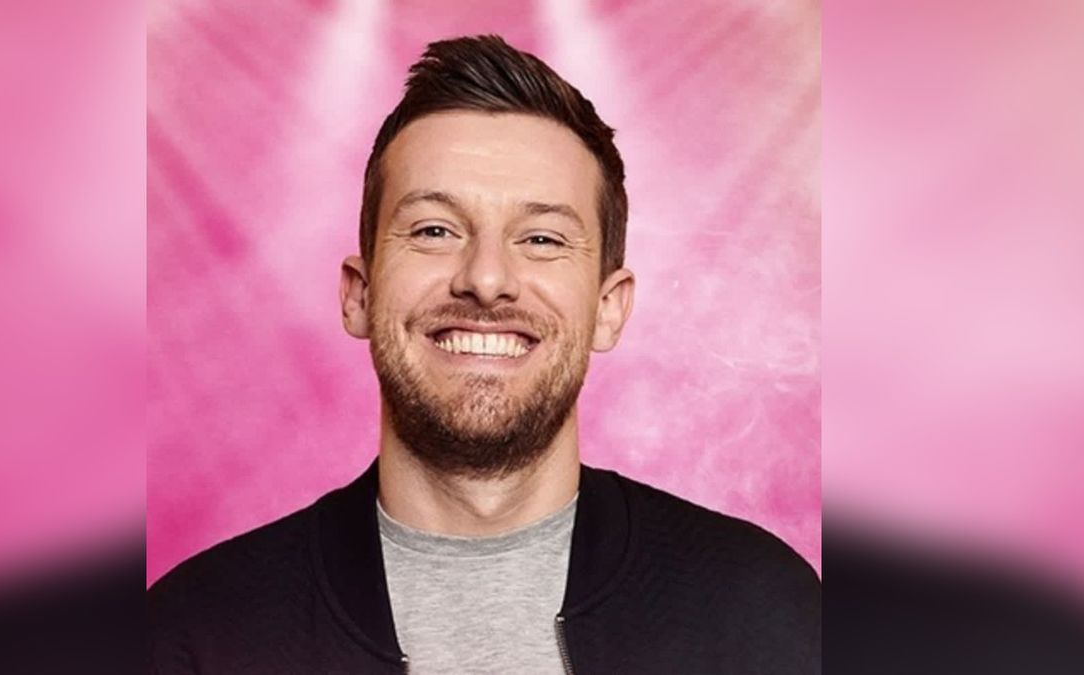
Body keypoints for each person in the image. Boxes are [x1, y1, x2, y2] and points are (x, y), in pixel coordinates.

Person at [148, 34, 820, 674]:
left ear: (609, 308)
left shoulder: (762, 611)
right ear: (359, 294)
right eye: (434, 230)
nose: (487, 278)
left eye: (542, 239)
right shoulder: (194, 634)